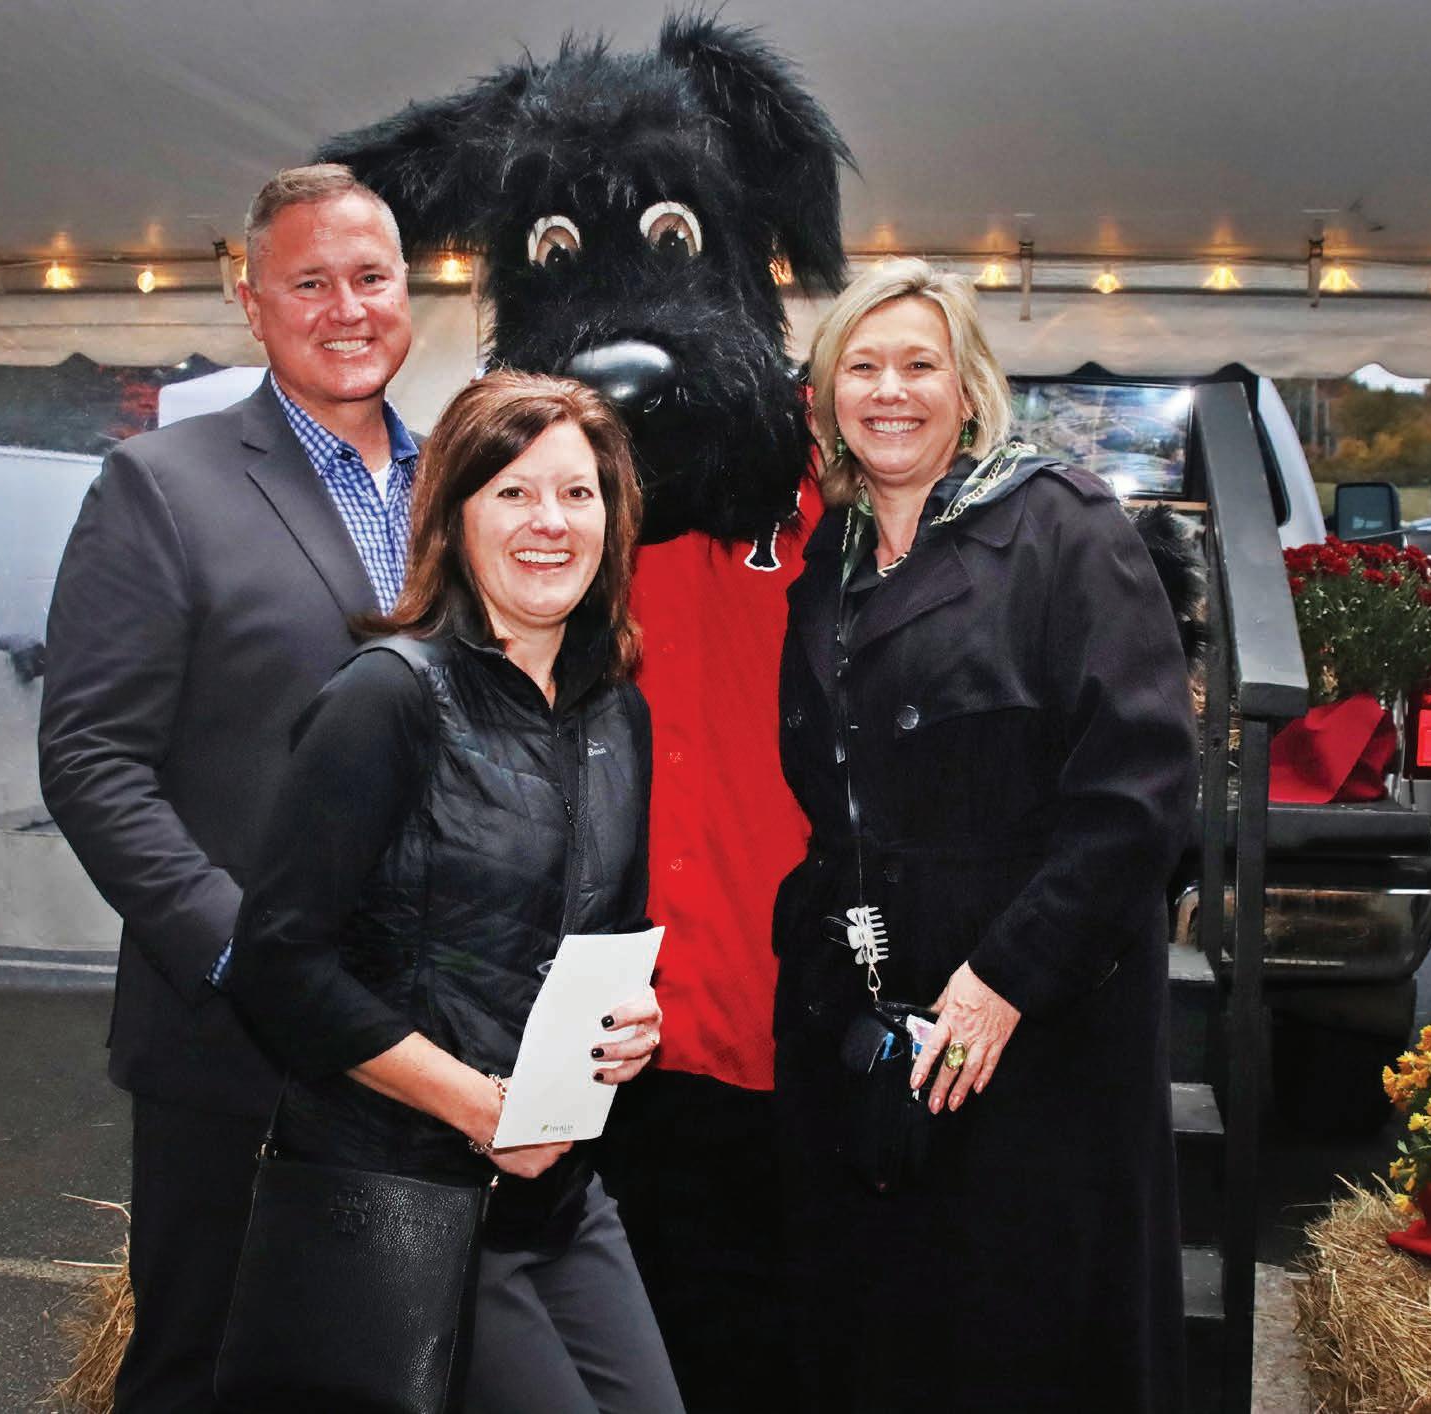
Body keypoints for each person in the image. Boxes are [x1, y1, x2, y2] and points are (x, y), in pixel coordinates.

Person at [771, 259, 1197, 1412]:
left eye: (919, 365)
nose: (889, 391)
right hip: (877, 996)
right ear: (826, 396)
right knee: (890, 1320)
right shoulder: (832, 558)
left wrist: (1003, 979)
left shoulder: (1062, 525)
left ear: (968, 389)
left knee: (1022, 1326)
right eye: (861, 366)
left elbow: (1140, 790)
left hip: (1033, 1009)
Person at [222, 371, 684, 1414]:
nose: (548, 523)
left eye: (577, 493)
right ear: (454, 516)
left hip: (559, 1194)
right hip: (407, 1196)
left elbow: (588, 938)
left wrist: (631, 1022)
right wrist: (481, 1109)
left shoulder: (619, 716)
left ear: (612, 522)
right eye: (512, 493)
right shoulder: (387, 697)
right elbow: (276, 964)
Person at [38, 162, 418, 1411]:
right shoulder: (163, 483)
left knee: (388, 1365)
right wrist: (240, 952)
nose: (346, 307)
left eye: (370, 277)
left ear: (410, 291)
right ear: (252, 305)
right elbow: (91, 758)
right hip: (236, 1040)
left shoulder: (471, 487)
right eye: (309, 282)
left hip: (427, 1036)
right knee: (204, 1367)